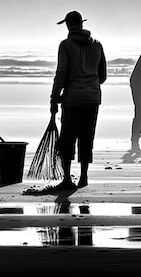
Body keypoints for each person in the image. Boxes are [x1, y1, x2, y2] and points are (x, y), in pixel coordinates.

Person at [50, 10, 106, 189]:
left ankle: (67, 178)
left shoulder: (65, 45)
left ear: (67, 25)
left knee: (67, 138)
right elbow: (102, 75)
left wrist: (54, 96)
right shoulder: (97, 45)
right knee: (87, 137)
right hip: (92, 98)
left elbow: (61, 72)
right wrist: (90, 84)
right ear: (82, 23)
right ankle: (83, 177)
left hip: (73, 99)